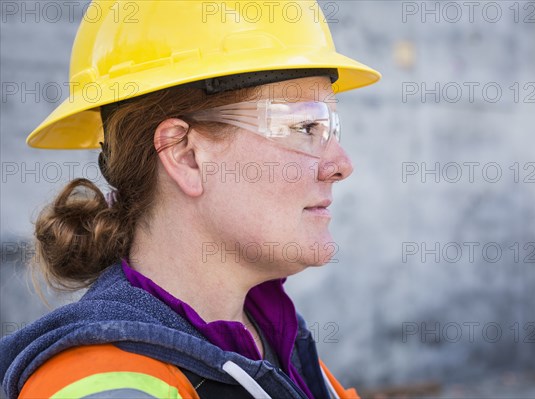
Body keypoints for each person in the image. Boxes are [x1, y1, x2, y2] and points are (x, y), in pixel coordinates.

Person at [0, 1, 380, 398]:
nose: (341, 164)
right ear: (186, 156)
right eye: (304, 126)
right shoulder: (104, 387)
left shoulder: (280, 348)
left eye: (331, 128)